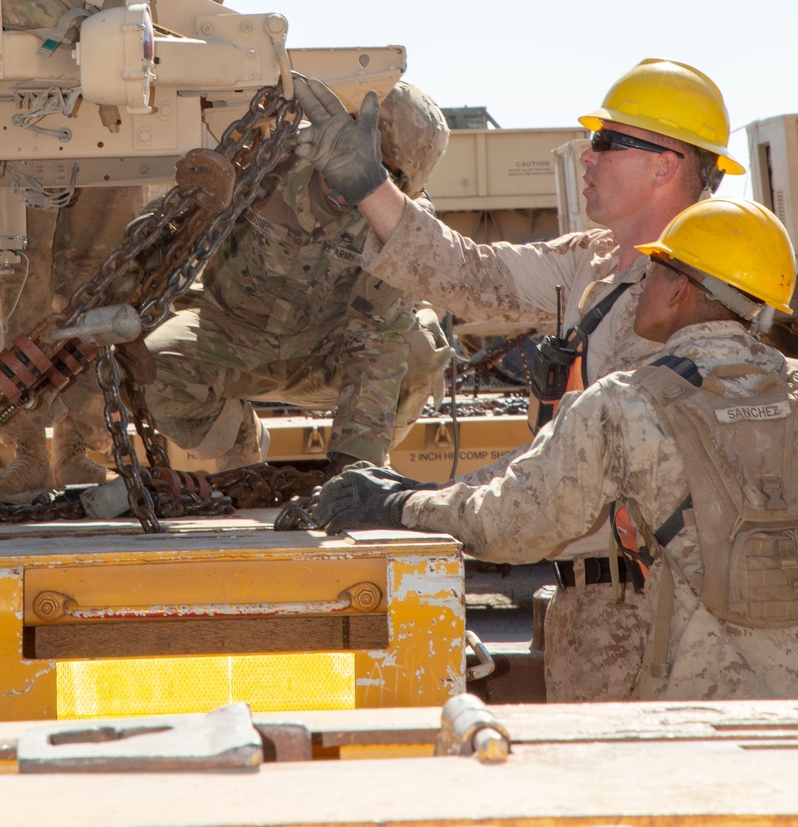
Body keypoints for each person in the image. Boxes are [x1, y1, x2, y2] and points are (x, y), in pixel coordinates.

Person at [292, 58, 745, 701]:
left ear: (665, 164)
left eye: (607, 142)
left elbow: (577, 483)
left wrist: (409, 502)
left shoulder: (700, 293)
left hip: (668, 613)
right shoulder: (593, 264)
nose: (586, 156)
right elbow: (471, 273)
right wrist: (370, 185)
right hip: (595, 607)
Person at [313, 198, 798, 701]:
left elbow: (511, 523)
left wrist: (399, 503)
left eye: (653, 270)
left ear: (679, 288)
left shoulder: (626, 403)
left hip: (700, 702)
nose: (641, 284)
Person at [0, 0, 225, 503]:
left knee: (97, 286)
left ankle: (82, 450)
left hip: (104, 121)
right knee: (24, 281)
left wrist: (129, 11)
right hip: (21, 117)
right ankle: (21, 453)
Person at [73, 82, 454, 477]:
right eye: (360, 155)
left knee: (416, 347)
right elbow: (158, 234)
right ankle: (239, 436)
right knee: (153, 372)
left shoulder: (401, 224)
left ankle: (369, 463)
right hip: (229, 333)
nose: (358, 179)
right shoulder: (272, 159)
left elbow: (375, 337)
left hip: (325, 353)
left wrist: (355, 466)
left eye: (384, 174)